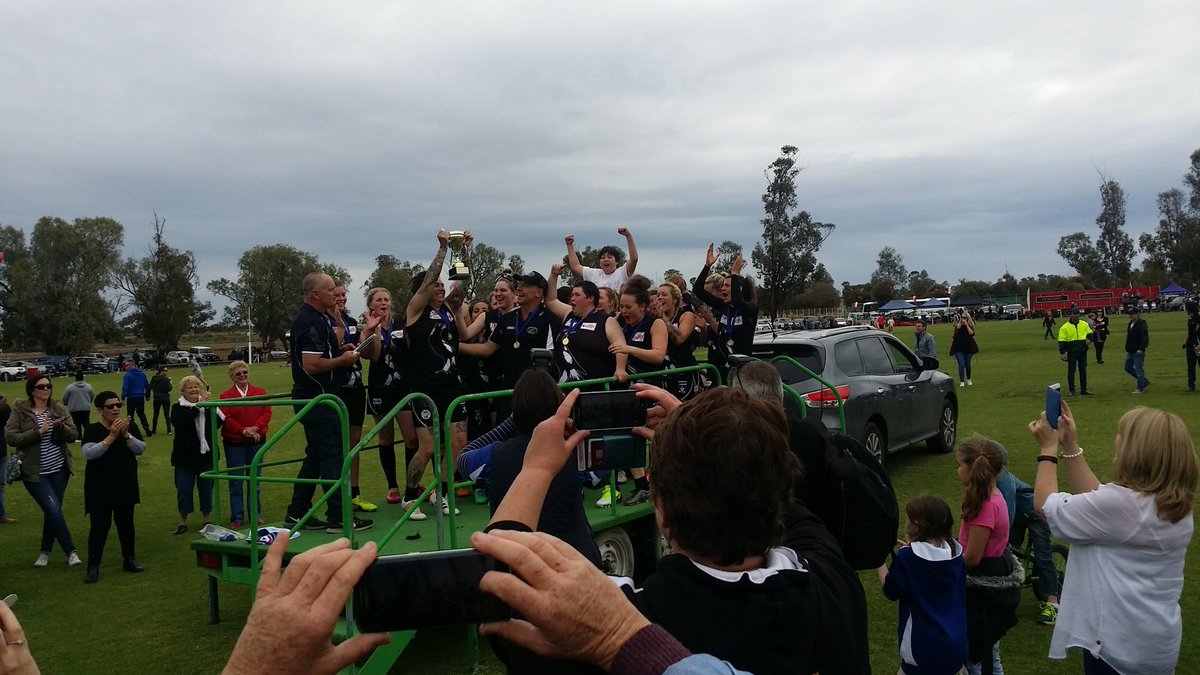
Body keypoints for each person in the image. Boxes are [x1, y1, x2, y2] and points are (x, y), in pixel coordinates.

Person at [484, 385, 869, 674]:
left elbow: (496, 590)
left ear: (662, 511)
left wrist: (536, 469)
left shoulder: (615, 626)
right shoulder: (833, 581)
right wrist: (707, 438)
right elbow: (774, 492)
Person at [1030, 402, 1197, 674]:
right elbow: (1099, 502)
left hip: (1117, 650)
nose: (1116, 439)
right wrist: (1070, 444)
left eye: (1122, 435)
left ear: (1137, 453)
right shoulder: (1173, 505)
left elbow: (1045, 506)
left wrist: (1048, 449)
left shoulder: (1125, 507)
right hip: (1155, 644)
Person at [284, 272, 372, 534]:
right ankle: (338, 517)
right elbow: (311, 365)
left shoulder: (320, 318)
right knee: (333, 455)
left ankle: (297, 512)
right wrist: (342, 361)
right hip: (317, 398)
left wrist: (340, 350)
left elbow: (323, 353)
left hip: (321, 396)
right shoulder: (309, 320)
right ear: (315, 294)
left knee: (315, 456)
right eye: (331, 289)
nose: (335, 294)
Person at [487, 371, 600, 565]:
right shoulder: (573, 451)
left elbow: (464, 459)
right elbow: (600, 477)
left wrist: (513, 420)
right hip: (574, 557)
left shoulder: (496, 453)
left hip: (519, 561)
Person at [402, 230, 470, 519]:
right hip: (425, 388)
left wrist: (465, 250)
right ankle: (409, 495)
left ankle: (439, 492)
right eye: (437, 285)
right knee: (428, 448)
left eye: (443, 285)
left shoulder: (448, 310)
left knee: (457, 445)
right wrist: (442, 249)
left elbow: (463, 283)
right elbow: (429, 281)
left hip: (453, 386)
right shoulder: (415, 311)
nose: (441, 288)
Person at [875, 495, 969, 675]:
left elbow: (891, 590)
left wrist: (878, 561)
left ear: (917, 525)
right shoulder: (955, 553)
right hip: (956, 646)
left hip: (923, 649)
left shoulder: (908, 557)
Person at [955, 437, 1020, 674]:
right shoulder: (993, 497)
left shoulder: (985, 505)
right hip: (988, 584)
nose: (957, 470)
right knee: (988, 654)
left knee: (978, 657)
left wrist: (939, 566)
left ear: (973, 469)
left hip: (981, 590)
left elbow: (972, 557)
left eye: (959, 465)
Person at [4, 376, 82, 568]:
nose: (46, 389)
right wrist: (39, 431)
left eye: (48, 386)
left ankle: (44, 553)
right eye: (41, 386)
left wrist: (60, 427)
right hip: (34, 473)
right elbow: (11, 437)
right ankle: (71, 551)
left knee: (52, 511)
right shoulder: (20, 411)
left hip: (59, 470)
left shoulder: (59, 409)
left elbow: (74, 435)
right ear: (32, 390)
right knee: (53, 509)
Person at [608, 281, 667, 507]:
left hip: (651, 387)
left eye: (628, 307)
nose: (623, 311)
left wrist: (629, 349)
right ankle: (642, 485)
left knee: (655, 435)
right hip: (627, 389)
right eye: (621, 306)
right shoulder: (619, 322)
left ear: (642, 306)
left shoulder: (655, 323)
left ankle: (661, 481)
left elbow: (658, 356)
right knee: (628, 431)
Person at [80, 390, 146, 583]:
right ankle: (93, 566)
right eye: (110, 406)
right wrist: (111, 436)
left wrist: (126, 435)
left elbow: (140, 449)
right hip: (99, 486)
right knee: (99, 527)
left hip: (125, 482)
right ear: (100, 410)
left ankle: (129, 559)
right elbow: (90, 453)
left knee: (126, 524)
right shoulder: (92, 429)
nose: (116, 409)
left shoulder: (129, 426)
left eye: (118, 405)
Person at [360, 287, 417, 508]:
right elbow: (373, 356)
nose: (383, 303)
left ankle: (412, 485)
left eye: (386, 299)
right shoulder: (366, 329)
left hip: (403, 387)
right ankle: (392, 486)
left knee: (411, 438)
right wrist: (374, 330)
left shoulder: (402, 324)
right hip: (380, 388)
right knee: (385, 438)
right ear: (370, 305)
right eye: (378, 300)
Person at [331, 282, 384, 514]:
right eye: (337, 295)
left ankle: (354, 494)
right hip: (335, 390)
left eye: (344, 295)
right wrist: (341, 348)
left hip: (355, 389)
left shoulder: (351, 321)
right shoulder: (324, 322)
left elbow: (370, 355)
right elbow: (328, 351)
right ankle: (336, 498)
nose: (341, 298)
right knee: (335, 444)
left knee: (354, 442)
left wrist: (371, 332)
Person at [545, 265, 627, 385]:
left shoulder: (606, 320)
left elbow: (620, 346)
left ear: (590, 298)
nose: (572, 298)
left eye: (577, 295)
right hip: (563, 386)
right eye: (572, 295)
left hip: (592, 387)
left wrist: (620, 369)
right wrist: (553, 275)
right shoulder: (569, 313)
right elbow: (551, 301)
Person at [218, 361, 272, 530]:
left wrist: (255, 428)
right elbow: (226, 418)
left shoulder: (260, 392)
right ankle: (237, 517)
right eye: (238, 374)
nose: (242, 375)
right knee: (236, 481)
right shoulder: (225, 396)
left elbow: (266, 412)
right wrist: (243, 431)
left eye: (244, 372)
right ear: (232, 377)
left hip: (257, 441)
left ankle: (256, 514)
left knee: (254, 480)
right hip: (234, 444)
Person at [691, 245, 758, 380]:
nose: (722, 289)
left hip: (740, 373)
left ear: (739, 289)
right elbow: (697, 290)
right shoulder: (723, 306)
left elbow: (738, 302)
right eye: (722, 286)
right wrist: (707, 266)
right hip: (719, 369)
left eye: (727, 286)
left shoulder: (749, 309)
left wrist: (734, 273)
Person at [171, 375, 218, 535]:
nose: (194, 389)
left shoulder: (208, 406)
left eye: (196, 386)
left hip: (205, 456)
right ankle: (183, 521)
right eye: (190, 387)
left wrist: (209, 407)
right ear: (183, 391)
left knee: (206, 489)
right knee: (184, 490)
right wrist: (199, 406)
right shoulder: (177, 407)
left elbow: (218, 423)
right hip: (185, 457)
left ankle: (207, 519)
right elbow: (180, 423)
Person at [657, 282, 701, 400]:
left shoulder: (686, 315)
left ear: (675, 300)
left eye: (664, 294)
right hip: (664, 372)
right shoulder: (655, 318)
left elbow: (679, 339)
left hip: (684, 371)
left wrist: (663, 318)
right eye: (658, 295)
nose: (659, 297)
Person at [564, 228, 639, 292]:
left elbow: (634, 259)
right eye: (603, 258)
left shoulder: (622, 273)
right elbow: (576, 266)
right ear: (599, 262)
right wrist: (569, 245)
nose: (606, 259)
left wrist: (628, 236)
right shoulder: (594, 274)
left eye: (609, 257)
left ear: (616, 261)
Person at [1056, 307, 1093, 396]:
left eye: (1077, 314)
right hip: (1071, 352)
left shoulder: (1084, 324)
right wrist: (1062, 353)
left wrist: (1086, 345)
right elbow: (1062, 341)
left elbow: (1091, 335)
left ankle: (1084, 389)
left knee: (1083, 370)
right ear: (1071, 315)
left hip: (1082, 352)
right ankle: (1072, 390)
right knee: (1071, 371)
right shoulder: (1065, 327)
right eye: (1074, 314)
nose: (1076, 315)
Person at [1123, 306, 1150, 394]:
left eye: (1132, 314)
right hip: (1130, 350)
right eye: (1129, 314)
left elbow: (1145, 338)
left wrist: (1141, 348)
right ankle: (1144, 381)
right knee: (1128, 367)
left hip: (1138, 351)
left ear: (1137, 314)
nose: (1131, 316)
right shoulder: (1130, 324)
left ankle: (1140, 388)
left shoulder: (1141, 324)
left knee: (1139, 369)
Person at [60, 372, 94, 437]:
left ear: (75, 378)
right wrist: (88, 401)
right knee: (86, 423)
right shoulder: (89, 387)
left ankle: (78, 437)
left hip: (74, 408)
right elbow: (92, 396)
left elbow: (65, 398)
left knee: (76, 423)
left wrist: (66, 403)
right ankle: (88, 436)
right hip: (86, 407)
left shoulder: (70, 387)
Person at [949, 312, 978, 388]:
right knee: (961, 365)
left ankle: (969, 379)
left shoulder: (970, 325)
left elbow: (971, 333)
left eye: (965, 318)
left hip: (968, 348)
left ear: (968, 318)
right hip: (958, 349)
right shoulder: (958, 327)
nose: (963, 319)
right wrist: (959, 325)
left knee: (968, 365)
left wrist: (967, 325)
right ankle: (962, 381)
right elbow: (954, 336)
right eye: (962, 317)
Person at [120, 363, 151, 431]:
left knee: (130, 414)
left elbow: (125, 387)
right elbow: (147, 386)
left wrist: (123, 398)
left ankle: (133, 430)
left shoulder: (127, 375)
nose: (125, 367)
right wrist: (147, 396)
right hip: (140, 396)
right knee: (141, 413)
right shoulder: (142, 374)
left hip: (131, 397)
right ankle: (146, 428)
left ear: (131, 366)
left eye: (126, 365)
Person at [0, 396, 13, 525]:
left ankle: (1, 515)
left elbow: (10, 422)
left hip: (1, 450)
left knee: (0, 485)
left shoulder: (1, 401)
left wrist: (3, 409)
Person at [149, 366, 173, 435]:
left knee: (155, 414)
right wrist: (170, 382)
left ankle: (154, 430)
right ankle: (169, 430)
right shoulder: (166, 379)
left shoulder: (153, 379)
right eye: (165, 370)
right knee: (166, 414)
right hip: (165, 397)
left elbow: (150, 387)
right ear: (161, 371)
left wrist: (148, 396)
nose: (166, 372)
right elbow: (169, 388)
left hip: (156, 398)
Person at [1186, 299, 1200, 392]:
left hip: (1198, 346)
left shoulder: (1198, 318)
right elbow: (1191, 332)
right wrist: (1186, 341)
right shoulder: (1190, 319)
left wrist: (1199, 345)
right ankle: (1191, 385)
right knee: (1190, 366)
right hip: (1190, 346)